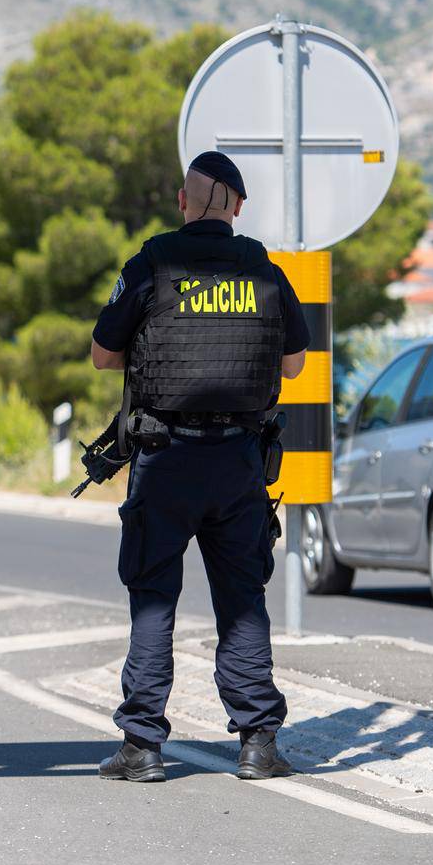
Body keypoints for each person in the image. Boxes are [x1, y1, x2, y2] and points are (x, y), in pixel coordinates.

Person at [89, 151, 310, 783]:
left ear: (182, 202)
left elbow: (104, 356)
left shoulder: (151, 265)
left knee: (154, 596)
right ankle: (258, 744)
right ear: (239, 206)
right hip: (240, 461)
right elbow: (293, 366)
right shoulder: (266, 273)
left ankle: (142, 746)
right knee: (242, 600)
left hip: (166, 458)